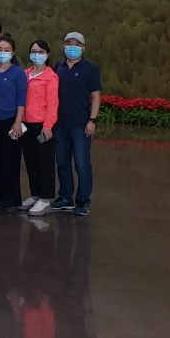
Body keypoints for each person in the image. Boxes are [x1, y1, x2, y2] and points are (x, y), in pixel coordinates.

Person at [52, 32, 101, 216]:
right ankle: (65, 197)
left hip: (81, 124)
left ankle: (83, 200)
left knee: (82, 164)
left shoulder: (90, 69)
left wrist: (92, 120)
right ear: (64, 46)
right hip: (60, 124)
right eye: (69, 43)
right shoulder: (59, 67)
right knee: (62, 162)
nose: (72, 47)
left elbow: (96, 96)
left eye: (77, 44)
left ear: (83, 48)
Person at [0, 34, 27, 213]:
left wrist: (18, 122)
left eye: (6, 50)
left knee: (11, 161)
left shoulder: (18, 73)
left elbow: (21, 99)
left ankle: (11, 199)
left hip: (11, 121)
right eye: (0, 49)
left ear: (13, 52)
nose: (2, 53)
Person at [20, 39, 59, 217]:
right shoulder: (26, 74)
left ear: (47, 54)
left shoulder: (51, 77)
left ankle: (45, 198)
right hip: (25, 124)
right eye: (34, 51)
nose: (37, 55)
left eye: (41, 52)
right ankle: (35, 193)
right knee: (31, 160)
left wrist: (48, 126)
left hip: (42, 126)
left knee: (45, 161)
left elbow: (52, 103)